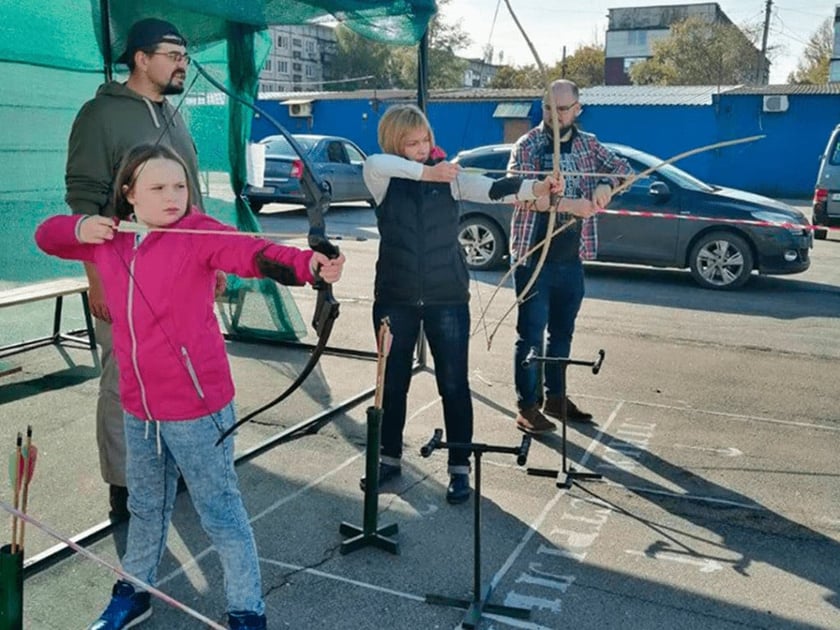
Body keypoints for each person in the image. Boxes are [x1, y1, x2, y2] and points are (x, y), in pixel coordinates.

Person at [37, 143, 346, 630]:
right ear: (129, 194)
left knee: (219, 512)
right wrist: (80, 226)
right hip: (139, 407)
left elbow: (250, 252)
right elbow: (46, 236)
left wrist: (308, 266)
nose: (172, 196)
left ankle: (247, 610)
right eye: (157, 187)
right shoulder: (109, 238)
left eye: (179, 185)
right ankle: (135, 590)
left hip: (196, 408)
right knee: (145, 505)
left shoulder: (198, 233)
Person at [362, 104, 560, 504]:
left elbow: (493, 187)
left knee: (453, 383)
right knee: (392, 383)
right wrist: (426, 171)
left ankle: (459, 467)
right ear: (395, 143)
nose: (422, 148)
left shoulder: (450, 177)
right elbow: (376, 162)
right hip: (395, 296)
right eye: (412, 143)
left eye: (426, 141)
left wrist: (535, 188)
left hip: (446, 297)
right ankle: (387, 459)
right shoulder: (382, 176)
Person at [65, 18, 211, 520]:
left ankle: (174, 466)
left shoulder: (174, 115)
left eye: (185, 57)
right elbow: (83, 203)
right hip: (125, 275)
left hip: (183, 275)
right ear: (140, 58)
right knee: (124, 380)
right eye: (172, 54)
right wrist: (96, 279)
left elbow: (191, 196)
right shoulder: (100, 115)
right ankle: (126, 484)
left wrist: (212, 260)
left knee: (179, 371)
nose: (182, 65)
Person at [509, 79, 634, 434]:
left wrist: (606, 186)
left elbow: (625, 171)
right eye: (549, 107)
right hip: (534, 256)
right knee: (530, 335)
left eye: (563, 109)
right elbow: (517, 192)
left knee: (562, 332)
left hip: (570, 258)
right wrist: (570, 205)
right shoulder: (528, 144)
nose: (555, 115)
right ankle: (527, 406)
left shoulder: (589, 145)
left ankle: (556, 397)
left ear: (578, 108)